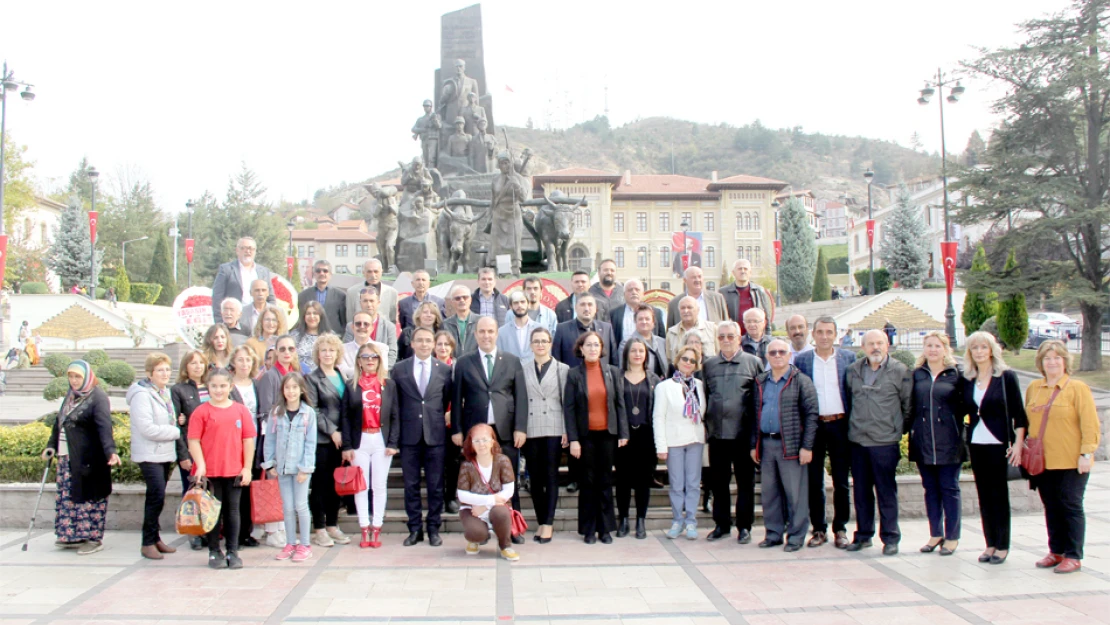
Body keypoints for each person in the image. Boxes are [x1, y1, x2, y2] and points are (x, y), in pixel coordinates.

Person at [1026, 340, 1100, 574]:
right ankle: (1056, 550)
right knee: (1051, 506)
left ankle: (1073, 554)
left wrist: (1086, 453)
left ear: (1065, 361)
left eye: (1057, 358)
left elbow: (1090, 424)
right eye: (1048, 358)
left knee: (1070, 504)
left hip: (1071, 460)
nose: (1052, 362)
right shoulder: (1034, 387)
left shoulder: (1077, 388)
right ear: (1041, 362)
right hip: (1043, 460)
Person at [452, 316, 528, 541]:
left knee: (509, 480)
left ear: (497, 334)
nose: (486, 335)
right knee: (477, 481)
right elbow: (457, 400)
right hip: (475, 434)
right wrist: (457, 429)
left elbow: (521, 397)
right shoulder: (465, 362)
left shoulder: (512, 361)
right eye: (482, 331)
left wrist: (520, 428)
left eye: (490, 331)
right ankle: (480, 528)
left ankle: (513, 527)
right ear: (475, 334)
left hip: (505, 432)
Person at [962, 331, 1027, 565]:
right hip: (978, 445)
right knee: (984, 496)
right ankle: (989, 543)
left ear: (992, 350)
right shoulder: (969, 378)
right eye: (974, 348)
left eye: (983, 347)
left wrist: (1018, 445)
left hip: (1000, 444)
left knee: (999, 496)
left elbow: (1019, 414)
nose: (979, 352)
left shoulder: (1006, 377)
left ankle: (1002, 545)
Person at [845, 329, 912, 555]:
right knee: (861, 492)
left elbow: (908, 405)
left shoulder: (900, 371)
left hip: (885, 442)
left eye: (880, 343)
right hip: (858, 441)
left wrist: (896, 430)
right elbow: (849, 400)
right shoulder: (853, 371)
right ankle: (863, 535)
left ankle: (891, 537)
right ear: (863, 347)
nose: (876, 348)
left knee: (886, 491)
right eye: (871, 343)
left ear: (887, 345)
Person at [43, 360, 120, 555]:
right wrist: (51, 446)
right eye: (71, 376)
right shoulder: (70, 396)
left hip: (89, 458)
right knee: (70, 497)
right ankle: (73, 535)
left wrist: (110, 451)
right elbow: (59, 423)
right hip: (67, 458)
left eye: (78, 376)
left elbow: (104, 427)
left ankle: (93, 538)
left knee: (90, 496)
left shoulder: (98, 397)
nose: (74, 380)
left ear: (87, 377)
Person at [793, 316, 857, 549]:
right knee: (814, 481)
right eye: (820, 332)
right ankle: (818, 528)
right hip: (814, 426)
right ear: (813, 334)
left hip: (840, 424)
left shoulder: (849, 358)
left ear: (836, 334)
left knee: (841, 480)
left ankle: (840, 528)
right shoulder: (803, 360)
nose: (824, 336)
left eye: (829, 332)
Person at [751, 339, 818, 551]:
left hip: (791, 446)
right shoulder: (761, 382)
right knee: (770, 493)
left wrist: (807, 447)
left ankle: (796, 536)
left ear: (790, 356)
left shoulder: (801, 381)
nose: (777, 355)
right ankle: (773, 533)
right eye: (773, 352)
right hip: (767, 444)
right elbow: (754, 415)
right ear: (767, 357)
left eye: (782, 352)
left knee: (795, 494)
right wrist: (754, 445)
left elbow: (811, 415)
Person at [563, 331, 629, 544]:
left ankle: (606, 529)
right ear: (581, 349)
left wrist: (623, 432)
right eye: (588, 345)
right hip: (585, 437)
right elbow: (569, 409)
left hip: (608, 435)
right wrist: (573, 439)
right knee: (588, 482)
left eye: (596, 345)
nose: (592, 349)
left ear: (602, 349)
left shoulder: (612, 372)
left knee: (605, 481)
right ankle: (589, 529)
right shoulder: (574, 375)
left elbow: (620, 404)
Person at [702, 321, 764, 544]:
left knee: (745, 483)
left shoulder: (753, 363)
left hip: (742, 435)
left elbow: (760, 398)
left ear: (740, 338)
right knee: (719, 482)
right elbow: (706, 396)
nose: (726, 340)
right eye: (722, 337)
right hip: (717, 435)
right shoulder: (709, 365)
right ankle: (721, 524)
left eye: (731, 336)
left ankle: (744, 526)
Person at [188, 367, 256, 569]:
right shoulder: (201, 411)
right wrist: (200, 465)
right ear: (208, 387)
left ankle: (233, 551)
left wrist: (247, 468)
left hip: (234, 470)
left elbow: (248, 440)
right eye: (214, 386)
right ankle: (214, 551)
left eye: (223, 386)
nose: (219, 390)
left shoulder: (240, 410)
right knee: (213, 512)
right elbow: (193, 440)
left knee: (233, 511)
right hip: (210, 472)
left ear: (231, 387)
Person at [392, 327, 453, 546]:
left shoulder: (444, 370)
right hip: (409, 437)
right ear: (412, 343)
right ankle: (415, 529)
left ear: (434, 344)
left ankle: (434, 528)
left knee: (436, 485)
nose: (425, 344)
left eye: (429, 340)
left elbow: (444, 399)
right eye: (420, 340)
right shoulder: (399, 370)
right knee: (411, 485)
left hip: (435, 436)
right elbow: (395, 405)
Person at [909, 331, 968, 556]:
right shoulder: (917, 375)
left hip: (949, 442)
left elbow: (964, 405)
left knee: (949, 488)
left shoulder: (956, 375)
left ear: (945, 348)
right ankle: (936, 533)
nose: (932, 349)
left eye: (937, 345)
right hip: (924, 441)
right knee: (930, 489)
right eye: (929, 345)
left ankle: (952, 536)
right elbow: (911, 406)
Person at [341, 342, 399, 548]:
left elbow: (395, 415)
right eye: (365, 357)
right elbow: (345, 418)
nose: (370, 361)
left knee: (379, 485)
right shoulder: (351, 385)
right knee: (361, 487)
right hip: (360, 441)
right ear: (359, 361)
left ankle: (377, 527)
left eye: (373, 357)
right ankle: (364, 528)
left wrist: (393, 442)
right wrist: (347, 446)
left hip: (381, 441)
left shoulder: (389, 385)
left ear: (379, 360)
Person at [127, 352, 181, 560]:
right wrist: (177, 432)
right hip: (149, 453)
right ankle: (147, 542)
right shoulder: (142, 395)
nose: (165, 373)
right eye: (160, 370)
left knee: (159, 497)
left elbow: (169, 419)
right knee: (155, 496)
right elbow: (147, 428)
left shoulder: (164, 393)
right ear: (150, 373)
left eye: (167, 369)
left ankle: (155, 537)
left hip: (164, 453)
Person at [261, 371, 317, 562]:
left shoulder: (308, 413)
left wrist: (305, 468)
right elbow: (269, 440)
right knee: (287, 507)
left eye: (295, 387)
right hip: (282, 468)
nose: (291, 391)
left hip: (301, 469)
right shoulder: (276, 413)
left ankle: (305, 544)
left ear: (301, 390)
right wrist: (269, 464)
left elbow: (311, 443)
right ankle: (290, 542)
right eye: (287, 387)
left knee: (301, 505)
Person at [521, 327, 569, 543]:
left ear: (550, 344)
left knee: (550, 476)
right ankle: (541, 521)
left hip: (554, 426)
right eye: (536, 341)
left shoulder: (563, 369)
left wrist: (568, 430)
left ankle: (548, 523)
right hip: (530, 428)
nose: (540, 344)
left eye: (544, 341)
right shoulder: (522, 368)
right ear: (531, 345)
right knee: (535, 478)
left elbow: (568, 404)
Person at [305, 333, 353, 548]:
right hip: (323, 440)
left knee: (336, 484)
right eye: (323, 350)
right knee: (320, 486)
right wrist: (332, 431)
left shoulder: (341, 374)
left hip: (342, 439)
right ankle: (320, 528)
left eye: (331, 350)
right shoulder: (312, 379)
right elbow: (313, 410)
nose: (327, 354)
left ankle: (333, 524)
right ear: (318, 353)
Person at [653, 344, 706, 540]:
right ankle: (677, 519)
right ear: (677, 360)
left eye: (692, 360)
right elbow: (658, 417)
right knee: (676, 483)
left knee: (693, 483)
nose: (688, 363)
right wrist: (661, 445)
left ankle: (691, 520)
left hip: (695, 439)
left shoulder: (699, 386)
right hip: (674, 440)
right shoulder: (665, 386)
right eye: (685, 359)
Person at [229, 344, 278, 548]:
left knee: (250, 488)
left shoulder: (256, 385)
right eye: (240, 359)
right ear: (233, 362)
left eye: (248, 360)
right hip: (232, 443)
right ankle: (233, 534)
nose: (244, 364)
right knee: (234, 491)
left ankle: (246, 532)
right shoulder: (228, 386)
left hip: (254, 442)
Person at [617, 337, 661, 539]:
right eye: (633, 350)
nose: (637, 354)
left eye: (641, 351)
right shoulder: (617, 377)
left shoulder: (653, 380)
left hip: (646, 435)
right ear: (627, 354)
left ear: (646, 355)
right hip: (623, 436)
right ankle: (623, 519)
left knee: (644, 480)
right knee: (623, 480)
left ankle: (640, 520)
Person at [457, 423, 520, 561]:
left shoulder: (503, 460)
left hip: (496, 506)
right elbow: (462, 495)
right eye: (477, 441)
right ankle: (476, 539)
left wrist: (486, 505)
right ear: (471, 444)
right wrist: (489, 500)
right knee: (476, 533)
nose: (481, 444)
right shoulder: (467, 465)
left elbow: (509, 490)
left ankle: (506, 546)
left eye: (485, 440)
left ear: (492, 441)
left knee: (501, 513)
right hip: (472, 509)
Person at [172, 350, 210, 547]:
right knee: (191, 490)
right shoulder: (178, 390)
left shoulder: (212, 386)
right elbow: (176, 425)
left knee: (209, 490)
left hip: (211, 447)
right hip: (191, 447)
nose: (197, 367)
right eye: (193, 363)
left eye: (200, 363)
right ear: (186, 367)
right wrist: (183, 455)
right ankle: (193, 531)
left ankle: (209, 529)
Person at [210, 236, 275, 319]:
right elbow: (217, 298)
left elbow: (271, 298)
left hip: (259, 319)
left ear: (255, 251)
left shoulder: (263, 271)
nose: (248, 251)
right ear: (237, 250)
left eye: (251, 248)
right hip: (235, 320)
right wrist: (220, 322)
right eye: (244, 248)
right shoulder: (226, 270)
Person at [434, 330, 462, 512]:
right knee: (436, 461)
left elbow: (463, 393)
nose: (443, 348)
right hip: (433, 421)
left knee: (453, 461)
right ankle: (437, 497)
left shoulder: (459, 366)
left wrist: (452, 412)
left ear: (452, 348)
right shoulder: (429, 366)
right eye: (440, 344)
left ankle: (450, 496)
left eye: (447, 344)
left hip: (454, 420)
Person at [552, 293, 617, 368]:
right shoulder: (562, 329)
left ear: (596, 308)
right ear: (575, 308)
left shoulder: (607, 328)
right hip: (572, 378)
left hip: (601, 378)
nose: (586, 309)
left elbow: (614, 360)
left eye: (590, 305)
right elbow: (556, 361)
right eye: (582, 305)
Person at [342, 288, 397, 368]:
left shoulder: (389, 327)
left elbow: (392, 354)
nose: (369, 304)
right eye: (365, 301)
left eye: (372, 301)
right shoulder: (351, 326)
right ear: (360, 303)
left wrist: (377, 371)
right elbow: (347, 353)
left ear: (378, 303)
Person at [719, 259, 774, 334]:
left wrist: (768, 335)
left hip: (755, 338)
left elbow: (767, 317)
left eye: (745, 269)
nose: (743, 271)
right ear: (733, 273)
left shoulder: (759, 291)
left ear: (750, 272)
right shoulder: (723, 293)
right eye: (739, 269)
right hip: (733, 337)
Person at [617, 305, 669, 377]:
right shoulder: (626, 343)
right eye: (640, 319)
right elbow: (623, 369)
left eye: (647, 319)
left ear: (653, 322)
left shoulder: (662, 342)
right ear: (635, 321)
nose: (644, 322)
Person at [297, 260, 347, 336]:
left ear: (330, 275)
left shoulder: (340, 295)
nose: (322, 273)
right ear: (314, 274)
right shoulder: (303, 295)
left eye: (325, 271)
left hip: (333, 337)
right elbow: (301, 318)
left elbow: (343, 321)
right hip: (310, 337)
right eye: (318, 271)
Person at [610, 279, 665, 347]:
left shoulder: (656, 312)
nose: (634, 292)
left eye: (637, 290)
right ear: (624, 294)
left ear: (643, 294)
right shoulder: (614, 314)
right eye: (630, 290)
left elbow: (662, 339)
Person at [346, 259, 398, 325]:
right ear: (363, 273)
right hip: (360, 331)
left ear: (381, 272)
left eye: (376, 271)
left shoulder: (392, 292)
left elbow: (392, 319)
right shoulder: (352, 292)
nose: (373, 275)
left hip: (383, 332)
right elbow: (350, 319)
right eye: (369, 272)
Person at [665, 296, 718, 363]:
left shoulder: (712, 329)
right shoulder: (671, 333)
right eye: (682, 308)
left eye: (689, 307)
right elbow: (669, 360)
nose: (686, 311)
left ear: (698, 310)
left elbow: (720, 354)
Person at [341, 311, 389, 378]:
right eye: (358, 324)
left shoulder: (381, 348)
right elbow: (343, 371)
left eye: (366, 324)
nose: (362, 327)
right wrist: (370, 370)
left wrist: (355, 371)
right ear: (352, 327)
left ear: (372, 328)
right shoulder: (342, 349)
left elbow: (383, 370)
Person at [497, 291, 541, 360]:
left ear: (528, 304)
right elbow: (499, 358)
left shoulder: (540, 329)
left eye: (522, 302)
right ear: (511, 307)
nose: (519, 305)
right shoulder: (501, 332)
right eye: (515, 303)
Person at [292, 301, 331, 370]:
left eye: (315, 313)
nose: (311, 316)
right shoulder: (295, 335)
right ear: (304, 317)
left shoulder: (329, 336)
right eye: (308, 313)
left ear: (320, 316)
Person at [444, 285, 478, 355]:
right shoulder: (445, 324)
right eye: (457, 298)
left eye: (465, 297)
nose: (462, 300)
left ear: (470, 300)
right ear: (452, 302)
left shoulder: (481, 322)